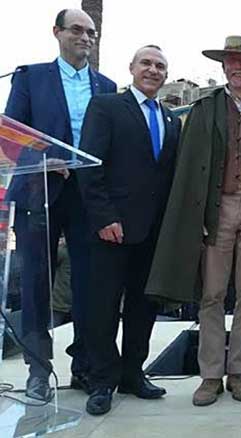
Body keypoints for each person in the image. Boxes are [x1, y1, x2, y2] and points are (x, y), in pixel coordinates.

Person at [144, 36, 241, 407]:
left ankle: (238, 372)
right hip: (216, 209)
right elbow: (188, 166)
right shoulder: (205, 108)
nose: (239, 67)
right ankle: (209, 376)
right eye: (233, 61)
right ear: (223, 67)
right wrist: (195, 214)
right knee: (212, 295)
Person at [3, 8, 116, 400]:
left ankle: (84, 365)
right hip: (39, 197)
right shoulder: (30, 78)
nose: (86, 37)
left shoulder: (106, 85)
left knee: (90, 288)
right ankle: (38, 371)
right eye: (77, 30)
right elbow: (10, 134)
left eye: (91, 32)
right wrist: (41, 162)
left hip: (88, 202)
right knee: (36, 286)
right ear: (57, 32)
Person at [77, 45, 181, 415]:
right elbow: (89, 166)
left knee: (144, 307)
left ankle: (133, 374)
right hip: (112, 229)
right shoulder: (105, 107)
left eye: (160, 66)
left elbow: (169, 178)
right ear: (132, 68)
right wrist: (104, 217)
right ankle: (102, 380)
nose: (153, 70)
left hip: (153, 234)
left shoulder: (172, 121)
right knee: (102, 308)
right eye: (147, 64)